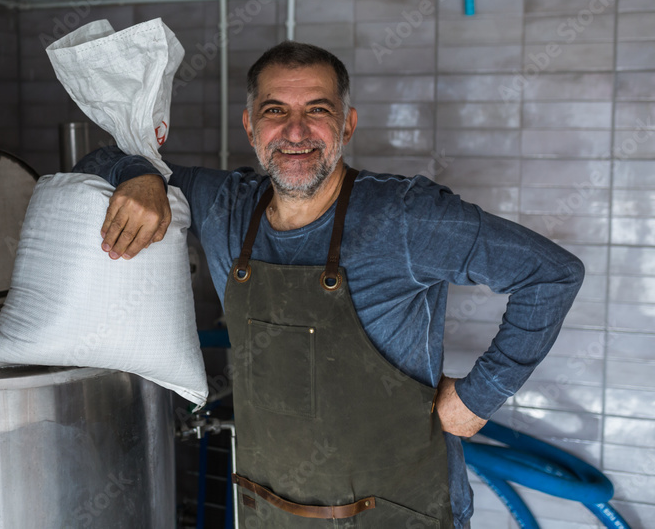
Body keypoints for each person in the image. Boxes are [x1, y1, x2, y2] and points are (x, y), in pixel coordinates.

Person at [74, 41, 584, 528]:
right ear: (251, 126)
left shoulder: (405, 215)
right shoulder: (223, 205)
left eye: (317, 109)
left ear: (348, 124)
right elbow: (93, 163)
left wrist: (479, 396)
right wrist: (141, 174)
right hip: (271, 511)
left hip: (399, 515)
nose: (295, 131)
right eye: (275, 111)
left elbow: (551, 272)